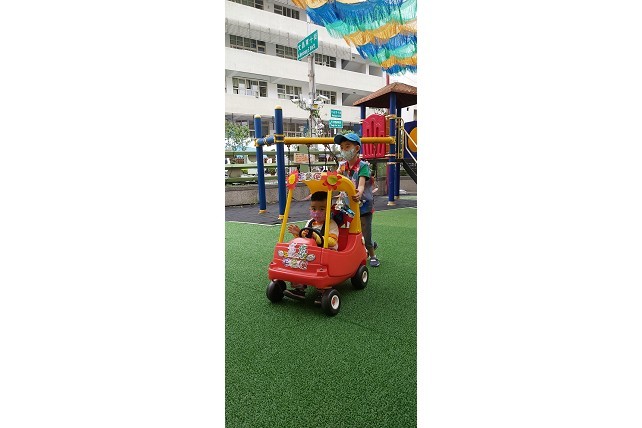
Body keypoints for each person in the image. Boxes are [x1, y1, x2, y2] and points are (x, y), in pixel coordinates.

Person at [335, 132, 380, 267]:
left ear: (357, 148)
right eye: (342, 147)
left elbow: (361, 185)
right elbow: (337, 181)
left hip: (363, 203)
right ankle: (352, 250)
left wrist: (359, 193)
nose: (344, 150)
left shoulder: (363, 166)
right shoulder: (342, 166)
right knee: (348, 227)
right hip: (348, 204)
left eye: (347, 146)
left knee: (365, 229)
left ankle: (372, 254)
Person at [285, 191, 339, 298]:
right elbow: (305, 239)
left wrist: (316, 237)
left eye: (322, 209)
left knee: (321, 268)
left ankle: (323, 291)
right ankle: (299, 288)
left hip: (328, 253)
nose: (317, 212)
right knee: (297, 260)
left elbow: (332, 241)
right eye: (314, 209)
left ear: (329, 210)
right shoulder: (309, 223)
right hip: (312, 252)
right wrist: (298, 234)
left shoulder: (332, 224)